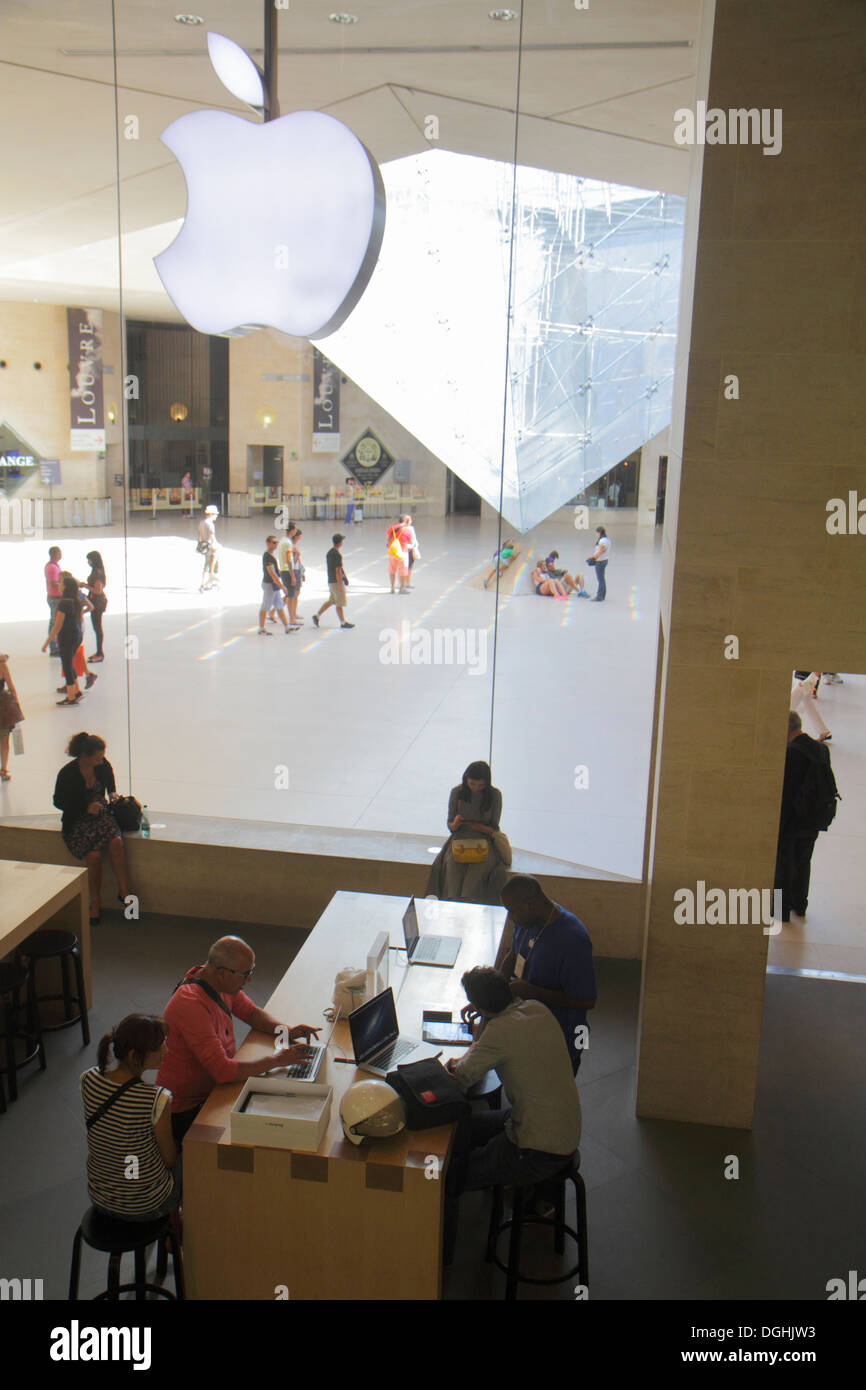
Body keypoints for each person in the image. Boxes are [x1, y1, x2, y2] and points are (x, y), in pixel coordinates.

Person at [442, 966, 581, 1263]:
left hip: (536, 1149)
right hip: (562, 1129)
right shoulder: (537, 1009)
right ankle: (466, 1160)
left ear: (480, 1007)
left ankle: (442, 1258)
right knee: (467, 1126)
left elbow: (462, 1080)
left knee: (449, 1177)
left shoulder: (500, 1032)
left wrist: (456, 1060)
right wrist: (486, 1018)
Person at [156, 935, 320, 1148]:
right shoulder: (191, 1005)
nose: (249, 980)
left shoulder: (219, 983)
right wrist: (277, 1060)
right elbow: (223, 1071)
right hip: (187, 1108)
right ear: (223, 973)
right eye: (246, 974)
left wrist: (286, 1031)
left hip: (214, 1087)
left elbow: (251, 1013)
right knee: (262, 1136)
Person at [81, 1014, 181, 1226]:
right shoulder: (156, 1099)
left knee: (129, 1157)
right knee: (192, 1158)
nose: (166, 1050)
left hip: (100, 1199)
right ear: (136, 1055)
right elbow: (169, 1159)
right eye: (159, 1046)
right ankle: (177, 1234)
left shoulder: (88, 1080)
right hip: (146, 1205)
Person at [497, 875, 596, 1074]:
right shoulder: (526, 921)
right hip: (530, 1028)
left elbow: (586, 1001)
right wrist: (492, 989)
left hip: (562, 1039)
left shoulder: (573, 940)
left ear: (530, 905)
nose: (509, 917)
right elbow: (514, 953)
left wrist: (531, 991)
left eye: (511, 911)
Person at [53, 731, 133, 923]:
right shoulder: (67, 773)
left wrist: (112, 792)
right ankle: (95, 902)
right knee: (94, 856)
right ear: (85, 756)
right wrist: (85, 808)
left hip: (101, 814)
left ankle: (124, 891)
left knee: (116, 842)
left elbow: (109, 775)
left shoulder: (102, 765)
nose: (101, 761)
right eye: (98, 757)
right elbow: (59, 801)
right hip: (78, 819)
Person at [775, 710, 837, 924]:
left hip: (793, 819)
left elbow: (788, 793)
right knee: (803, 861)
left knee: (783, 864)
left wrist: (779, 825)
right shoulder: (820, 749)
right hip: (814, 817)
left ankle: (780, 910)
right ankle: (800, 904)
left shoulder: (791, 753)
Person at [426, 760, 510, 905]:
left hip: (484, 842)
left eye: (481, 785)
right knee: (452, 874)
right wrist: (456, 823)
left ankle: (470, 906)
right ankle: (452, 905)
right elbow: (450, 825)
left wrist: (478, 827)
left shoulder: (495, 795)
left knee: (474, 880)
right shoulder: (457, 792)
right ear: (466, 779)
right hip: (459, 840)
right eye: (472, 784)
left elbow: (494, 828)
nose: (476, 788)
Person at [43, 573, 96, 704]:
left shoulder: (63, 603)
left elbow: (57, 625)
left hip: (67, 637)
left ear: (66, 587)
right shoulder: (76, 600)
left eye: (60, 583)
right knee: (70, 663)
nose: (58, 585)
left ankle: (71, 697)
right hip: (76, 635)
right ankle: (76, 692)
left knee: (67, 665)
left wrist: (48, 642)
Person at [313, 534, 354, 629]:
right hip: (336, 582)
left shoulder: (329, 553)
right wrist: (340, 584)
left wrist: (344, 577)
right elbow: (338, 570)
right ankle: (343, 622)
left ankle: (317, 616)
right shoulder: (337, 555)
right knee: (339, 602)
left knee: (332, 600)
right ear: (340, 543)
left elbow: (337, 569)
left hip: (330, 580)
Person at [258, 534, 293, 635]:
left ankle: (287, 627)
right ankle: (261, 628)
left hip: (274, 586)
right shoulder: (267, 556)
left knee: (279, 605)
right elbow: (272, 573)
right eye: (274, 543)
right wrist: (282, 586)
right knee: (265, 606)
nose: (276, 545)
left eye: (276, 543)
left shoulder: (271, 555)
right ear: (268, 543)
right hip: (270, 585)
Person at [0, 652, 23, 781]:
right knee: (4, 740)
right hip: (2, 705)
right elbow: (11, 687)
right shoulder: (2, 666)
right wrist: (16, 705)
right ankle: (3, 769)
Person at [790, 671, 831, 742]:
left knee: (789, 707)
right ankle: (823, 731)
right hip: (802, 680)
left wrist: (809, 681)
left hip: (805, 681)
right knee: (809, 706)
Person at [82, 550, 107, 662]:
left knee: (97, 628)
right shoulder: (98, 571)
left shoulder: (97, 573)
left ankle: (100, 653)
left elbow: (98, 590)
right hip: (95, 601)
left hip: (97, 602)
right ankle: (98, 651)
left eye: (89, 560)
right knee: (96, 628)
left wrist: (84, 585)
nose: (88, 562)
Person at [44, 544, 63, 656]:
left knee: (56, 622)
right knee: (54, 623)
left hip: (55, 597)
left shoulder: (54, 566)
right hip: (54, 598)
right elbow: (52, 583)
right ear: (56, 554)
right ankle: (54, 647)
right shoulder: (52, 567)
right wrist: (65, 584)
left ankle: (55, 645)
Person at [197, 504, 220, 591]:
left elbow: (199, 536)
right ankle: (204, 583)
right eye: (215, 514)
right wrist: (216, 544)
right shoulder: (210, 524)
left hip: (203, 545)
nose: (216, 516)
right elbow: (212, 536)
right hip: (210, 546)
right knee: (210, 565)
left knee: (207, 564)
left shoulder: (201, 523)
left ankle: (208, 582)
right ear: (211, 514)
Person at [385, 516, 409, 594]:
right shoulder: (407, 530)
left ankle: (392, 588)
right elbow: (410, 541)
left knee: (392, 570)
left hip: (392, 552)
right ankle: (402, 588)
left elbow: (387, 538)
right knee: (402, 570)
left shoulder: (391, 528)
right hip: (402, 552)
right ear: (405, 521)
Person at [588, 525, 610, 601]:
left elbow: (601, 551)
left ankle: (599, 596)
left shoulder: (602, 541)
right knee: (602, 578)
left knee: (600, 579)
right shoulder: (607, 540)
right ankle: (602, 595)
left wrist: (594, 557)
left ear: (599, 532)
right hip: (605, 560)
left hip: (600, 561)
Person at [403, 514, 420, 588]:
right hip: (409, 549)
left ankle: (403, 582)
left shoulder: (401, 528)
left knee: (404, 566)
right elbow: (413, 539)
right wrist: (415, 545)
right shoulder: (410, 529)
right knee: (409, 567)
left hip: (403, 549)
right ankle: (407, 582)